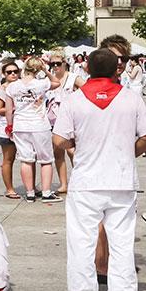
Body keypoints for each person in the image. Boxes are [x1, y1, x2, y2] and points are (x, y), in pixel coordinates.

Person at [52, 48, 146, 291]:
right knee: (121, 242)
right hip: (121, 179)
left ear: (87, 69)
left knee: (81, 241)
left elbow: (59, 140)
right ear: (115, 70)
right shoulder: (131, 99)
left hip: (86, 181)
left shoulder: (74, 100)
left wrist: (79, 148)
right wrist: (124, 152)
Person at [5, 57, 61, 203]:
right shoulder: (41, 84)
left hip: (20, 125)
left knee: (26, 159)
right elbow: (57, 82)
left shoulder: (12, 86)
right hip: (39, 124)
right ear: (38, 69)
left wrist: (9, 125)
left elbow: (9, 109)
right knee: (46, 160)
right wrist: (46, 70)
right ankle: (46, 192)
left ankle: (30, 193)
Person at [45, 51, 84, 194]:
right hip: (53, 119)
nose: (55, 67)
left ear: (65, 63)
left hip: (71, 119)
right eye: (52, 64)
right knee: (57, 152)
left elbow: (87, 91)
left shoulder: (73, 77)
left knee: (72, 151)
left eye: (58, 63)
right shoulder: (49, 79)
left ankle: (79, 181)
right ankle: (63, 184)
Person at [0, 59, 20, 198]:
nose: (13, 74)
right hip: (6, 128)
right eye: (9, 72)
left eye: (16, 72)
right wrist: (15, 108)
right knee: (8, 159)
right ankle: (9, 189)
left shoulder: (22, 86)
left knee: (28, 158)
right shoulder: (1, 90)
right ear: (4, 74)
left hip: (23, 126)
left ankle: (31, 187)